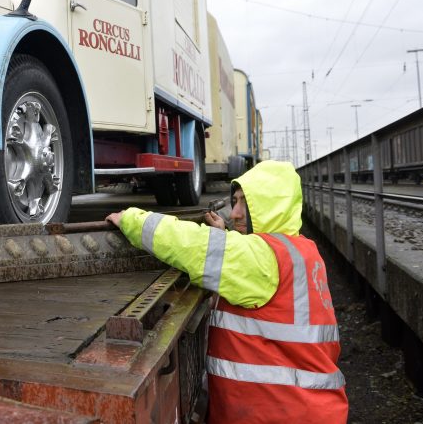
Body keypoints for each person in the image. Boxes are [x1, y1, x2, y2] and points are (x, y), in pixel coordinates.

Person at [106, 160, 348, 423]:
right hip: (303, 407)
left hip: (283, 413)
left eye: (247, 203)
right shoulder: (302, 251)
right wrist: (224, 236)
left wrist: (132, 220)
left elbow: (192, 246)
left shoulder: (263, 261)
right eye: (235, 202)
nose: (234, 213)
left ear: (270, 207)